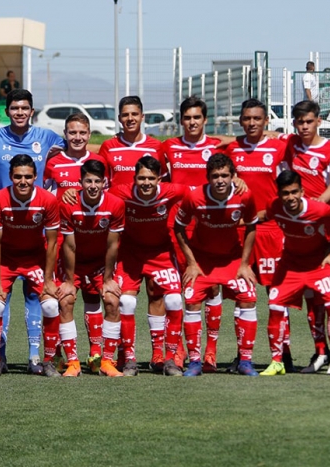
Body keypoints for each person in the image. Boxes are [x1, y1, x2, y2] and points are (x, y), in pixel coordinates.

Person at [0, 88, 65, 374]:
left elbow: (73, 156)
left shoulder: (48, 137)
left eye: (24, 108)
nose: (19, 112)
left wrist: (69, 188)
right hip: (7, 238)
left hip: (35, 246)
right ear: (7, 111)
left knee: (46, 304)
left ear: (32, 110)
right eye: (14, 108)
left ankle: (39, 359)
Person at [223, 98, 294, 371]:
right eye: (247, 119)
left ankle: (282, 353)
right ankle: (244, 356)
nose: (251, 123)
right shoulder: (232, 149)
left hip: (271, 231)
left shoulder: (279, 148)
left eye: (257, 119)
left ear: (266, 121)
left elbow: (289, 189)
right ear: (240, 121)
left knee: (277, 295)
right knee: (243, 295)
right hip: (240, 233)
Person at [174, 153, 259, 377]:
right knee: (191, 302)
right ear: (208, 178)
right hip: (202, 262)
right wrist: (191, 263)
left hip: (232, 260)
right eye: (215, 176)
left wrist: (244, 264)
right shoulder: (194, 197)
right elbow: (178, 227)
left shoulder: (245, 196)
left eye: (224, 175)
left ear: (233, 176)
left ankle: (245, 361)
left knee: (249, 298)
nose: (220, 180)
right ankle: (194, 362)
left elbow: (251, 227)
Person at [283, 100, 330, 372]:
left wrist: (316, 206)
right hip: (300, 232)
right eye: (300, 122)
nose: (304, 127)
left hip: (327, 229)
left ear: (318, 121)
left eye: (309, 121)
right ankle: (320, 350)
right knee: (311, 293)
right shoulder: (290, 144)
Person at [260, 170, 330, 377]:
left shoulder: (318, 209)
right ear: (279, 194)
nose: (290, 197)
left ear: (302, 191)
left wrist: (329, 252)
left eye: (294, 192)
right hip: (290, 265)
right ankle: (277, 361)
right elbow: (265, 216)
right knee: (274, 306)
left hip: (318, 265)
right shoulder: (275, 207)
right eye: (285, 193)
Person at [161, 96, 227, 371]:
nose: (192, 122)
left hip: (209, 227)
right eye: (187, 118)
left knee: (211, 287)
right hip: (177, 227)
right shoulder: (168, 147)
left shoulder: (217, 147)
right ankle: (176, 352)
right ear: (181, 120)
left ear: (205, 120)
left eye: (197, 117)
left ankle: (209, 353)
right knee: (178, 291)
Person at [109, 157, 188, 376]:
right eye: (141, 178)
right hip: (130, 254)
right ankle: (129, 359)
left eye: (151, 178)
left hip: (161, 253)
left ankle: (167, 357)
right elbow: (93, 193)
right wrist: (72, 192)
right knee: (126, 301)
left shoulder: (173, 191)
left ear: (159, 179)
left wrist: (236, 181)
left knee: (171, 299)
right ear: (134, 178)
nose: (146, 183)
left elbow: (199, 193)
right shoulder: (120, 192)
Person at [0, 155, 60, 377]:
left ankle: (46, 361)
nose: (23, 181)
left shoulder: (47, 200)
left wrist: (48, 280)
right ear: (10, 177)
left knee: (50, 306)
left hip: (35, 259)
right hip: (7, 259)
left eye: (28, 176)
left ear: (35, 177)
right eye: (18, 177)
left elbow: (53, 241)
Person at [57, 160, 124, 377]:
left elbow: (112, 244)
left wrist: (107, 279)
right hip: (73, 265)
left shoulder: (115, 204)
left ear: (105, 183)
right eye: (88, 181)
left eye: (97, 181)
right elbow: (68, 244)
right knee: (65, 301)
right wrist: (68, 281)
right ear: (80, 182)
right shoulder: (68, 204)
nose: (93, 186)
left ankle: (106, 360)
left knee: (112, 300)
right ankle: (73, 362)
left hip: (99, 265)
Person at [100, 95, 166, 188]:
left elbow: (164, 180)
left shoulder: (156, 146)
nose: (130, 118)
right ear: (119, 118)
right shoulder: (108, 146)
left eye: (134, 114)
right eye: (125, 115)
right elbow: (99, 180)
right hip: (118, 201)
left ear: (142, 117)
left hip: (147, 202)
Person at [43, 112, 106, 200]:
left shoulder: (99, 161)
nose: (77, 138)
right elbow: (41, 192)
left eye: (82, 133)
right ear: (65, 133)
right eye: (72, 133)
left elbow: (106, 191)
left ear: (89, 134)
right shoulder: (53, 163)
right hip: (61, 213)